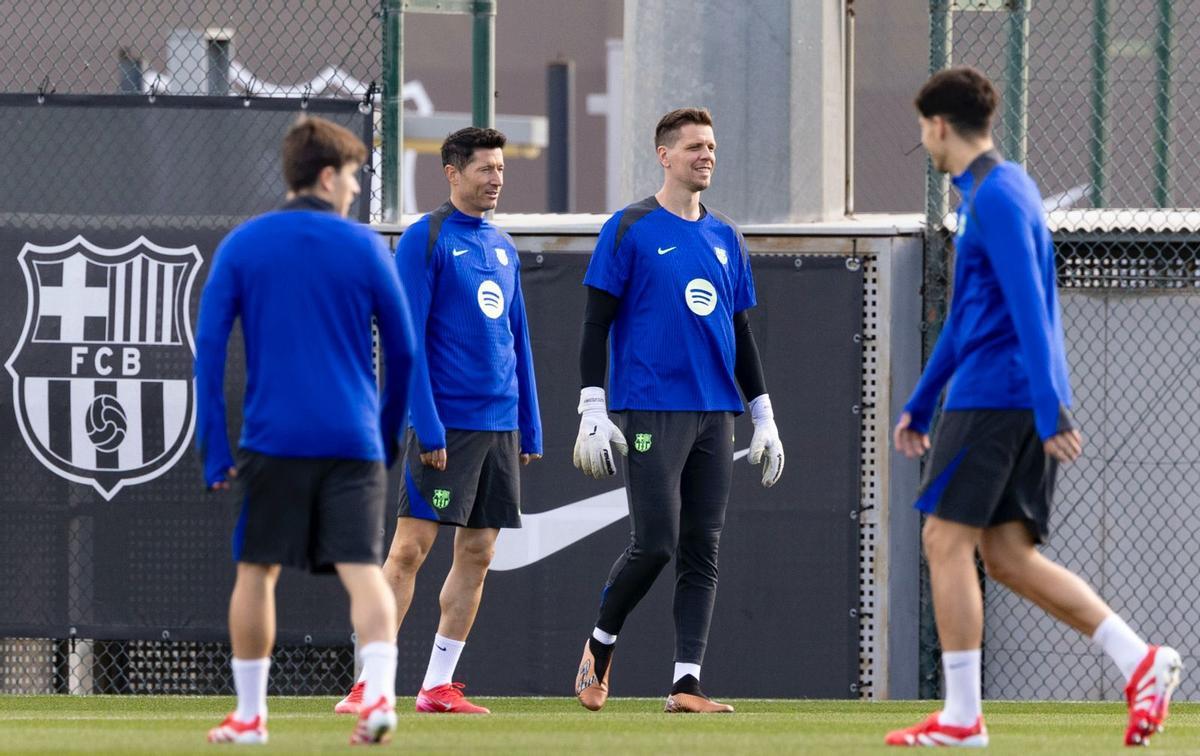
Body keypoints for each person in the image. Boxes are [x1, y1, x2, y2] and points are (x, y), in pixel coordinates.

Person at [886, 67, 1183, 748]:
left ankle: (962, 718)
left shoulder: (994, 198)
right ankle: (1140, 661)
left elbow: (1028, 303)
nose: (924, 142)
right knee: (1008, 556)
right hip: (1004, 395)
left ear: (937, 126)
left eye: (921, 130)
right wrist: (922, 402)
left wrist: (1053, 409)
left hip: (999, 397)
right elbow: (966, 317)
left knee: (943, 539)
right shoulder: (999, 190)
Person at [195, 116, 416, 746]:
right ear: (327, 175)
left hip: (273, 440)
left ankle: (250, 717)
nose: (354, 190)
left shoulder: (243, 244)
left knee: (256, 572)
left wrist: (215, 449)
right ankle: (378, 695)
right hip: (353, 441)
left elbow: (208, 352)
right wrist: (384, 433)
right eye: (352, 176)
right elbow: (402, 354)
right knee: (363, 569)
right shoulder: (366, 247)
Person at [571, 107, 784, 714]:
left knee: (702, 547)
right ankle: (599, 645)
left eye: (712, 146)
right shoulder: (629, 227)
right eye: (694, 147)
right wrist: (593, 406)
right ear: (664, 155)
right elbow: (594, 325)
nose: (706, 156)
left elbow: (740, 333)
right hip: (650, 409)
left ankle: (685, 683)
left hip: (717, 414)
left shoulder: (727, 237)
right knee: (656, 543)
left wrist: (763, 414)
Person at [335, 127, 542, 716]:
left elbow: (517, 339)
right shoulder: (424, 240)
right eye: (485, 169)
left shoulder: (500, 245)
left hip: (500, 427)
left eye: (501, 168)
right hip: (445, 424)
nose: (496, 178)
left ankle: (436, 686)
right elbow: (407, 343)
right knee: (410, 550)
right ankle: (369, 684)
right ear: (452, 173)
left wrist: (530, 423)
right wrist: (426, 426)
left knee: (477, 551)